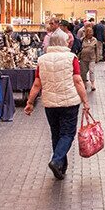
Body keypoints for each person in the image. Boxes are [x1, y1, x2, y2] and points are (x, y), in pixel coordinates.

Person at [25, 31, 90, 179]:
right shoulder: (71, 58)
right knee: (67, 134)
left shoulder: (42, 60)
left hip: (49, 103)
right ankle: (56, 161)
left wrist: (30, 102)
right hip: (70, 103)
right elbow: (78, 81)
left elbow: (37, 84)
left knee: (56, 133)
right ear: (65, 42)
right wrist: (85, 101)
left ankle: (61, 166)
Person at [78, 25, 102, 92]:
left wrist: (97, 58)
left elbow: (97, 49)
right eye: (89, 32)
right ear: (86, 33)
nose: (90, 33)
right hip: (83, 58)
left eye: (91, 32)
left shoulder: (94, 40)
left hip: (92, 58)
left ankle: (93, 84)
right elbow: (79, 49)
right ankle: (84, 83)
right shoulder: (82, 39)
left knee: (92, 71)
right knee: (83, 72)